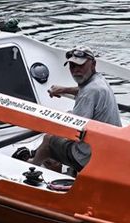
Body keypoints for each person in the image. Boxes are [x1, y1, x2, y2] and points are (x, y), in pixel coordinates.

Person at [31, 45, 121, 174]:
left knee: (48, 140)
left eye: (80, 66)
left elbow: (73, 131)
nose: (76, 70)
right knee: (65, 121)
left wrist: (48, 125)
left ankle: (31, 167)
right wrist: (64, 89)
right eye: (72, 66)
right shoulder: (99, 81)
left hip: (88, 156)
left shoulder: (89, 92)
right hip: (108, 147)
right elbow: (83, 90)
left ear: (93, 64)